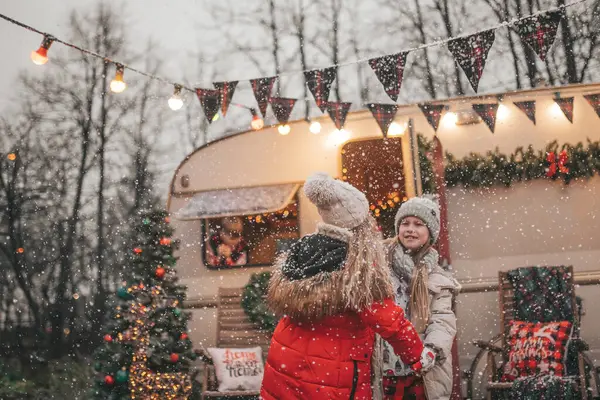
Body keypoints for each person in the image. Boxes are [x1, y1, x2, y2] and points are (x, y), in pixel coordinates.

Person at [260, 172, 433, 400]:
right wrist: (419, 356)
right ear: (358, 222)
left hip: (285, 364)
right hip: (330, 373)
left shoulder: (303, 249)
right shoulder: (355, 264)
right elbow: (388, 320)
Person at [380, 196, 460, 400]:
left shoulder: (438, 278)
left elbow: (442, 321)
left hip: (421, 372)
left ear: (430, 233)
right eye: (405, 223)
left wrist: (432, 349)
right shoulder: (381, 268)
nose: (410, 229)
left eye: (418, 224)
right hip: (383, 370)